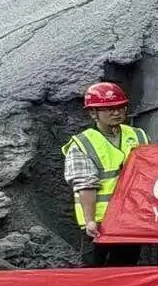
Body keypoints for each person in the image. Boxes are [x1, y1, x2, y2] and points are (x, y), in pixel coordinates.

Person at [62, 81, 148, 268]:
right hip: (100, 223)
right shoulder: (83, 144)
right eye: (109, 109)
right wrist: (90, 221)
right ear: (93, 113)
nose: (117, 113)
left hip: (131, 220)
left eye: (120, 107)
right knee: (95, 272)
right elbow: (86, 185)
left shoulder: (138, 135)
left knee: (126, 269)